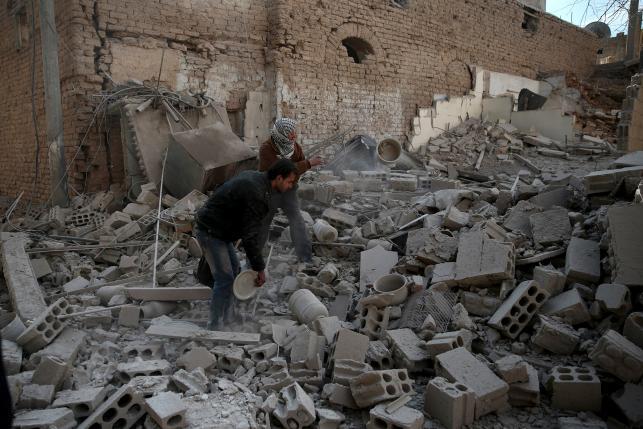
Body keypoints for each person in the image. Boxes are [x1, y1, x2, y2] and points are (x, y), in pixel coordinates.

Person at [195, 159, 299, 330]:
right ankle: (214, 326)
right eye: (289, 182)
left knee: (234, 272)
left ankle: (228, 316)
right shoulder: (257, 193)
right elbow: (250, 236)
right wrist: (259, 269)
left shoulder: (257, 179)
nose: (289, 186)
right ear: (279, 178)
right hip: (210, 231)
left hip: (221, 230)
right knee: (225, 279)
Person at [258, 118, 323, 262]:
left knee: (297, 221)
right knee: (264, 222)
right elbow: (278, 172)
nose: (294, 136)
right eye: (290, 133)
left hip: (289, 190)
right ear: (282, 133)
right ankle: (254, 260)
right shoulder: (266, 149)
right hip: (271, 191)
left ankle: (305, 258)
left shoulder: (294, 147)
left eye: (294, 133)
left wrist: (300, 168)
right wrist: (307, 163)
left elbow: (296, 169)